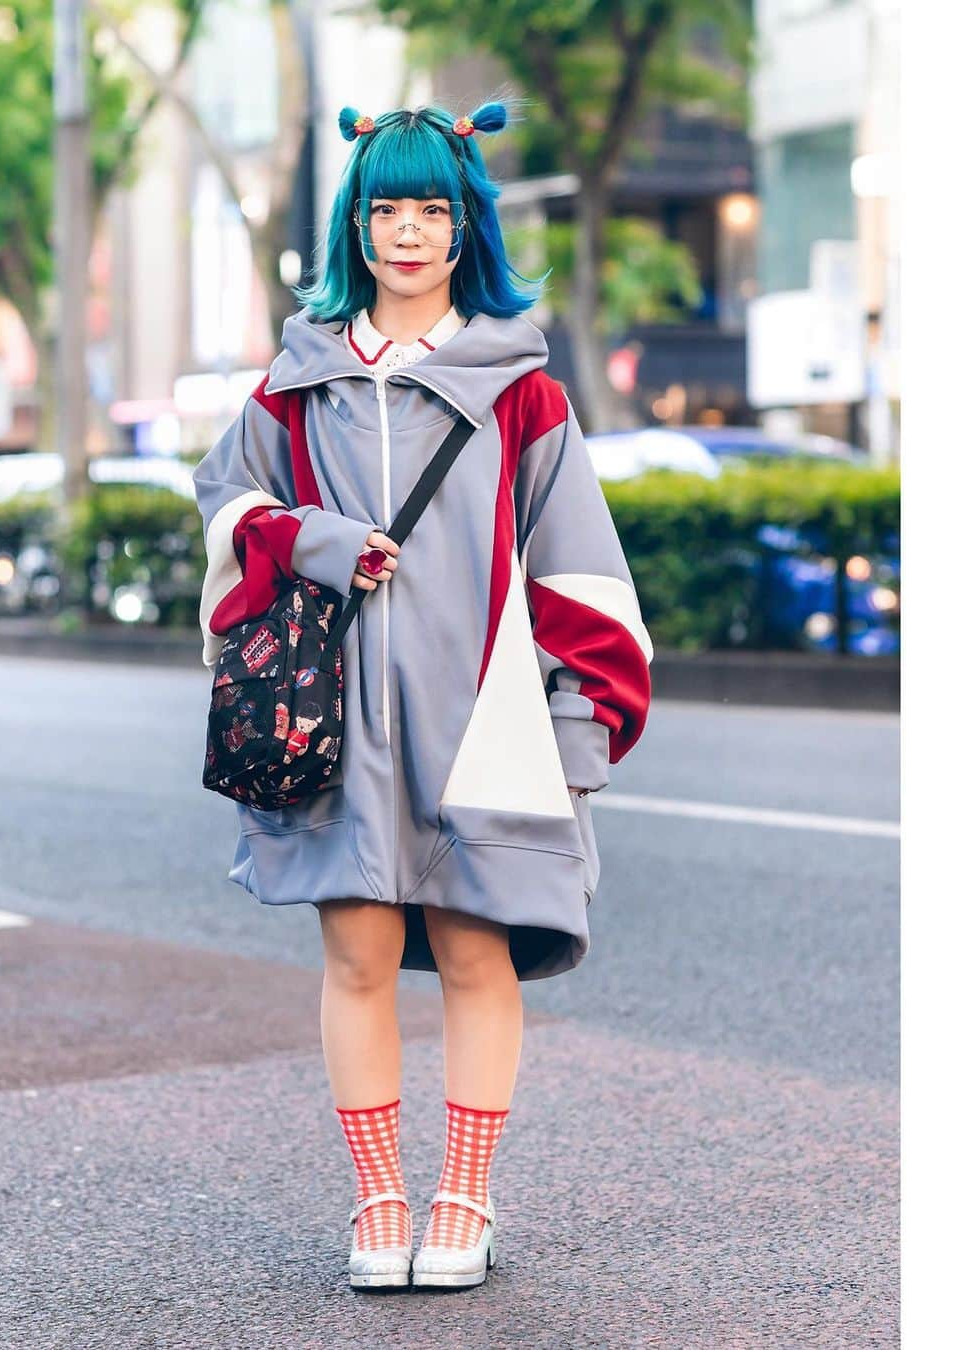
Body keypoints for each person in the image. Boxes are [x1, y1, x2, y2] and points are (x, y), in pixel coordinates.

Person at [193, 99, 653, 1293]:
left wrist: (575, 731)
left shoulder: (522, 391)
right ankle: (378, 1198)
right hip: (337, 726)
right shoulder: (296, 386)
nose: (407, 233)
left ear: (466, 226)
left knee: (476, 956)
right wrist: (311, 539)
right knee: (353, 958)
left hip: (489, 723)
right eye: (385, 208)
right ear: (355, 223)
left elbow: (581, 569)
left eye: (432, 210)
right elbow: (228, 505)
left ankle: (465, 1198)